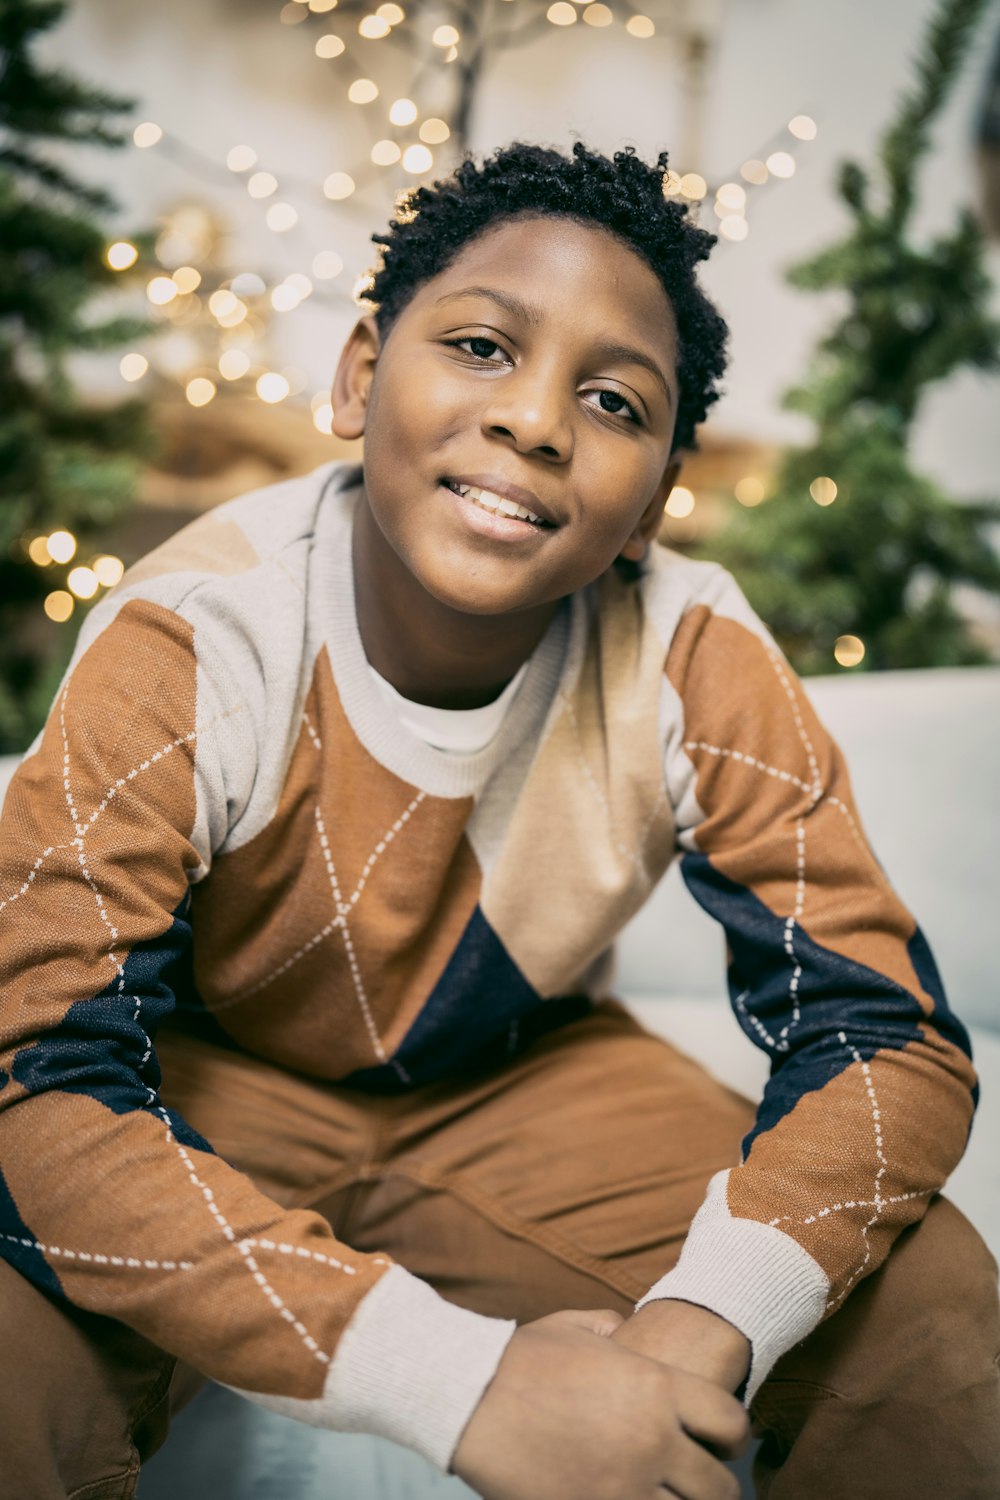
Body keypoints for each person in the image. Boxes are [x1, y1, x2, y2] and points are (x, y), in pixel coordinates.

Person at [1, 140, 997, 1500]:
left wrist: (710, 1314)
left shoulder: (692, 645)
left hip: (520, 1081)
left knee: (930, 1303)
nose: (536, 420)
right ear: (359, 377)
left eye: (613, 400)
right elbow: (34, 1080)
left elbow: (890, 1038)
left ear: (654, 501)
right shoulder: (195, 636)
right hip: (197, 1083)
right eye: (479, 345)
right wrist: (467, 1389)